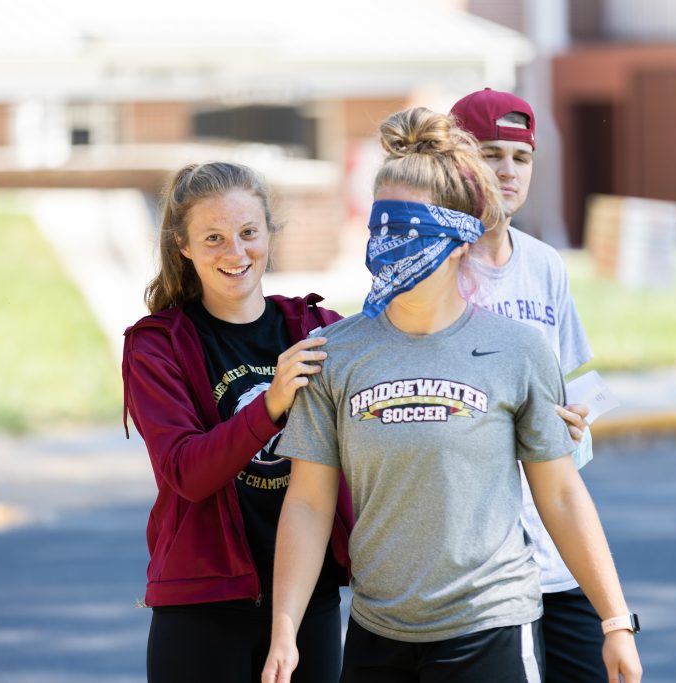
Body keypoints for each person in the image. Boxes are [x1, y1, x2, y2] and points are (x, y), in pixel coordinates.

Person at [260, 107, 642, 683]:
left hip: (489, 626)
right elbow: (310, 504)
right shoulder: (332, 353)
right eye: (380, 225)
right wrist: (284, 631)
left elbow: (561, 495)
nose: (390, 242)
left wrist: (615, 622)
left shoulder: (517, 350)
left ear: (462, 238)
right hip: (377, 633)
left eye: (410, 228)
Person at [120, 161, 352, 683]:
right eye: (214, 238)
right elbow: (187, 472)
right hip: (203, 608)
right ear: (183, 245)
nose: (236, 252)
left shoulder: (318, 329)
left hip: (306, 603)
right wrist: (269, 405)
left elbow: (392, 416)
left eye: (249, 232)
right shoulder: (159, 346)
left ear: (270, 230)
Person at [449, 87, 601, 682]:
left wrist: (577, 420)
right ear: (459, 163)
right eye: (491, 155)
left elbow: (580, 382)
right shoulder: (439, 269)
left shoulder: (545, 266)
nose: (508, 172)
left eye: (521, 157)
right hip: (483, 561)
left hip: (558, 545)